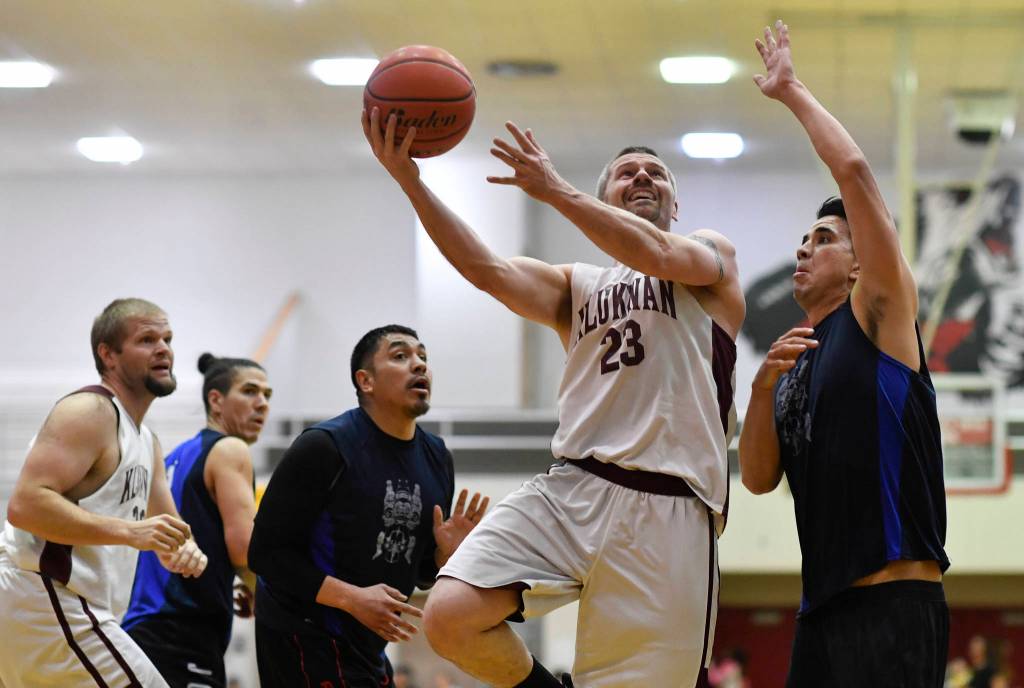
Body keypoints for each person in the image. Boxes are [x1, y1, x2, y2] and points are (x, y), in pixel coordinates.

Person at [363, 84, 744, 686]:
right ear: (605, 197)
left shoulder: (707, 256)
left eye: (657, 173)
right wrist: (410, 181)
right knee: (449, 615)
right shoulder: (578, 286)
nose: (643, 177)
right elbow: (486, 271)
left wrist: (555, 191)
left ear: (676, 203)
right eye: (626, 173)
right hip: (572, 487)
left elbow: (655, 254)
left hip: (669, 507)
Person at [738, 20, 950, 687]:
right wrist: (761, 392)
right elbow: (757, 478)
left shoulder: (879, 316)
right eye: (802, 239)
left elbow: (854, 171)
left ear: (862, 264)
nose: (803, 248)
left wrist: (792, 90)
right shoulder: (794, 355)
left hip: (892, 602)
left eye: (824, 238)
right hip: (820, 609)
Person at [248, 324, 489, 687]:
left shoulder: (437, 457)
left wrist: (444, 556)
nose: (419, 364)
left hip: (368, 648)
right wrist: (352, 599)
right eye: (400, 356)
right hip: (304, 636)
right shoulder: (324, 446)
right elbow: (265, 555)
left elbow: (419, 569)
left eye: (423, 356)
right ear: (366, 381)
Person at [0, 298, 208, 688]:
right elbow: (25, 506)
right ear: (108, 354)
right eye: (147, 339)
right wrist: (130, 532)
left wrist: (185, 549)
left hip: (66, 606)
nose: (163, 348)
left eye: (167, 338)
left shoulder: (146, 441)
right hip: (44, 596)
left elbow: (171, 534)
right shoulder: (90, 411)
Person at [122, 352, 272, 687]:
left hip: (142, 629)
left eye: (267, 395)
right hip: (183, 632)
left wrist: (228, 580)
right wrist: (268, 597)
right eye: (249, 391)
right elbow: (247, 551)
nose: (262, 403)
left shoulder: (176, 456)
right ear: (215, 400)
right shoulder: (231, 450)